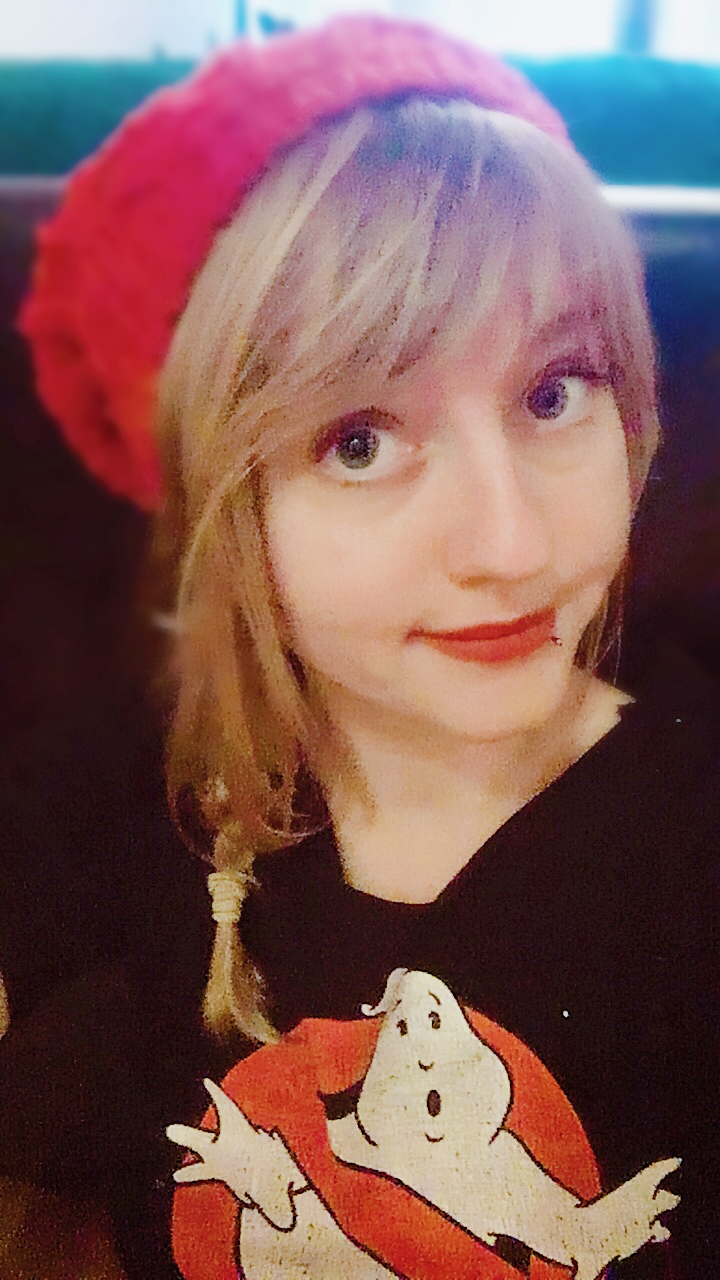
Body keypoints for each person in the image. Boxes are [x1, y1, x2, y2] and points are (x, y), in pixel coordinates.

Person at [17, 14, 720, 1280]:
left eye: (554, 390)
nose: (511, 543)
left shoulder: (689, 848)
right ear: (225, 503)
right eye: (358, 439)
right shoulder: (145, 803)